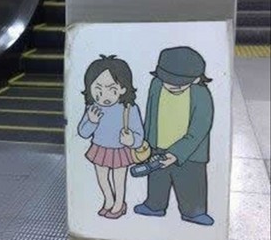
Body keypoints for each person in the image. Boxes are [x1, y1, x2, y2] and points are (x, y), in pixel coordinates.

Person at [134, 46, 215, 226]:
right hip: (158, 146)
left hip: (190, 153)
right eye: (167, 81)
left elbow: (200, 129)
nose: (171, 86)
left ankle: (194, 212)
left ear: (196, 79)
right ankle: (154, 205)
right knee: (157, 178)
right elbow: (151, 114)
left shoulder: (201, 94)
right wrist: (146, 143)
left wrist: (177, 153)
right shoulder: (156, 85)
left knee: (190, 182)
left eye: (179, 84)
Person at [78, 55, 144, 219]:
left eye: (111, 89)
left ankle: (119, 204)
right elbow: (83, 132)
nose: (104, 96)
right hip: (99, 147)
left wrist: (131, 140)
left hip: (120, 149)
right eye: (98, 89)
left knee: (119, 180)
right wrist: (92, 121)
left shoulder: (129, 108)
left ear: (123, 89)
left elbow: (139, 134)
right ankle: (108, 200)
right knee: (102, 178)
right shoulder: (92, 107)